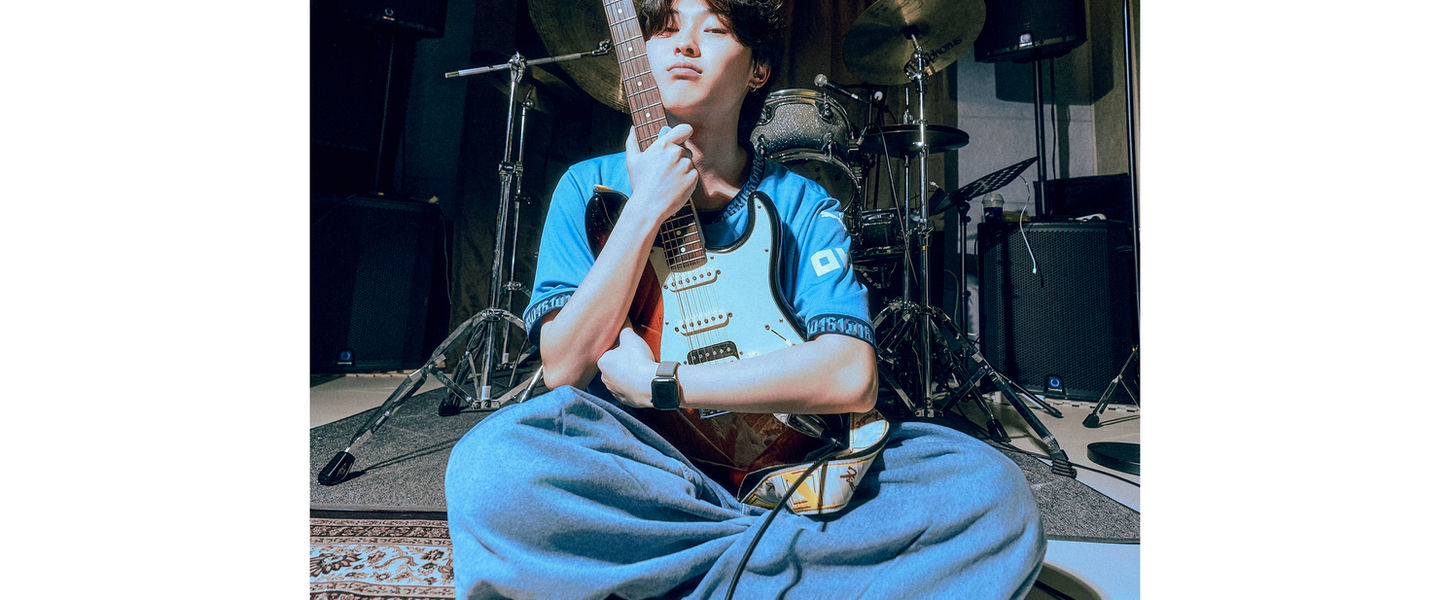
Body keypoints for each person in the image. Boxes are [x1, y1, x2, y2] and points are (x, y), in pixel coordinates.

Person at [445, 1, 1045, 598]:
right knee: (490, 467)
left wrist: (666, 383)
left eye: (714, 29)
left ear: (758, 69)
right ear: (638, 56)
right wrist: (646, 207)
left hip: (796, 470)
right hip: (641, 465)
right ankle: (791, 566)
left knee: (992, 493)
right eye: (665, 29)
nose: (684, 44)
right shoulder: (586, 187)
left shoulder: (802, 201)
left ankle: (673, 569)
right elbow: (564, 368)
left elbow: (850, 375)